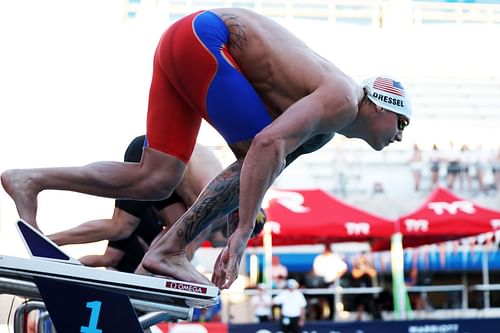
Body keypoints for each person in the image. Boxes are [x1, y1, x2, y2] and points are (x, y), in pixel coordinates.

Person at [1, 8, 412, 289]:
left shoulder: (322, 126)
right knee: (260, 151)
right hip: (206, 38)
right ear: (378, 106)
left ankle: (30, 180)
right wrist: (242, 233)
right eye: (400, 123)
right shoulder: (341, 99)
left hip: (184, 42)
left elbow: (265, 162)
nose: (399, 136)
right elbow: (264, 147)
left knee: (156, 179)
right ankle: (169, 250)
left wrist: (242, 219)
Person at [47, 135, 266, 271]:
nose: (228, 242)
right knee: (121, 227)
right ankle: (50, 241)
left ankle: (65, 262)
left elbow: (176, 243)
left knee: (169, 230)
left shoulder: (228, 201)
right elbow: (183, 249)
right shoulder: (219, 206)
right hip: (157, 155)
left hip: (171, 174)